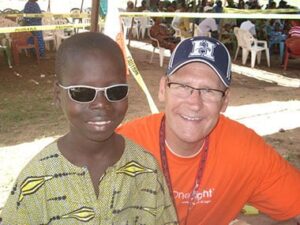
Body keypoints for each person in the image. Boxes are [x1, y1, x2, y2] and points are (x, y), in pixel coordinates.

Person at [117, 36, 300, 224]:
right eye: (183, 86)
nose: (194, 103)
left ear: (225, 101)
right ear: (163, 88)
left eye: (209, 90)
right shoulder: (123, 148)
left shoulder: (244, 151)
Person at [0, 32, 178, 225]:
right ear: (58, 95)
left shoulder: (146, 169)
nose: (101, 104)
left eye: (115, 91)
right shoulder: (35, 180)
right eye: (82, 92)